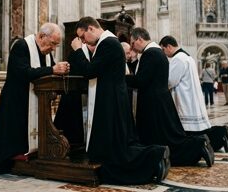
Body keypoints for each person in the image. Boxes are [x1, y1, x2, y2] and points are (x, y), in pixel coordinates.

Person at [70, 17, 170, 185]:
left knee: (116, 148)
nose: (82, 41)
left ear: (90, 29)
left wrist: (78, 50)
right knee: (118, 143)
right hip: (114, 98)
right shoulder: (108, 41)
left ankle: (155, 155)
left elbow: (89, 71)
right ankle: (155, 156)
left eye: (82, 36)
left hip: (111, 101)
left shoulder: (107, 43)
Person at [0, 23, 70, 173]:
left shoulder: (46, 53)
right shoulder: (21, 46)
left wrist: (60, 70)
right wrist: (53, 69)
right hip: (15, 102)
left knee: (18, 145)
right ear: (41, 37)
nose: (53, 49)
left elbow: (48, 73)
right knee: (2, 153)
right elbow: (23, 73)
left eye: (56, 45)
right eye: (53, 44)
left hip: (33, 102)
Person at [125, 28, 214, 168]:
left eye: (132, 43)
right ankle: (196, 145)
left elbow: (141, 80)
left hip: (154, 103)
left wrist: (121, 78)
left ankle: (197, 146)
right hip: (160, 100)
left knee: (164, 137)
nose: (132, 47)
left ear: (140, 39)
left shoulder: (150, 53)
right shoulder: (158, 52)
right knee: (167, 136)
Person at [159, 35, 228, 153]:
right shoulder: (187, 57)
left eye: (163, 50)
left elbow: (170, 81)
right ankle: (221, 134)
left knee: (191, 134)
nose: (163, 53)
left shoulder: (178, 59)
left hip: (185, 100)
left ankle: (217, 137)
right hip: (191, 98)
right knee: (199, 131)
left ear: (169, 46)